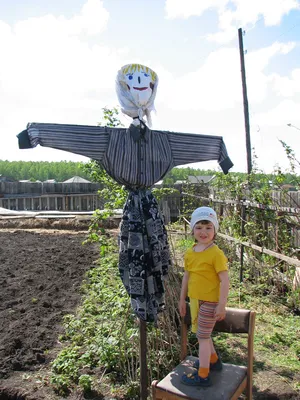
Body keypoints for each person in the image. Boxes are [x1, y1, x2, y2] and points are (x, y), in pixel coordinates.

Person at [179, 206, 230, 387]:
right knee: (204, 335)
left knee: (201, 337)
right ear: (192, 229)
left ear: (215, 230)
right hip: (194, 300)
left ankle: (203, 375)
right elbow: (187, 276)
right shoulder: (191, 252)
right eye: (199, 227)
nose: (203, 232)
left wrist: (221, 305)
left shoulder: (216, 253)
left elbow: (225, 280)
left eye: (208, 227)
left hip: (210, 302)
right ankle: (214, 362)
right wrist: (181, 300)